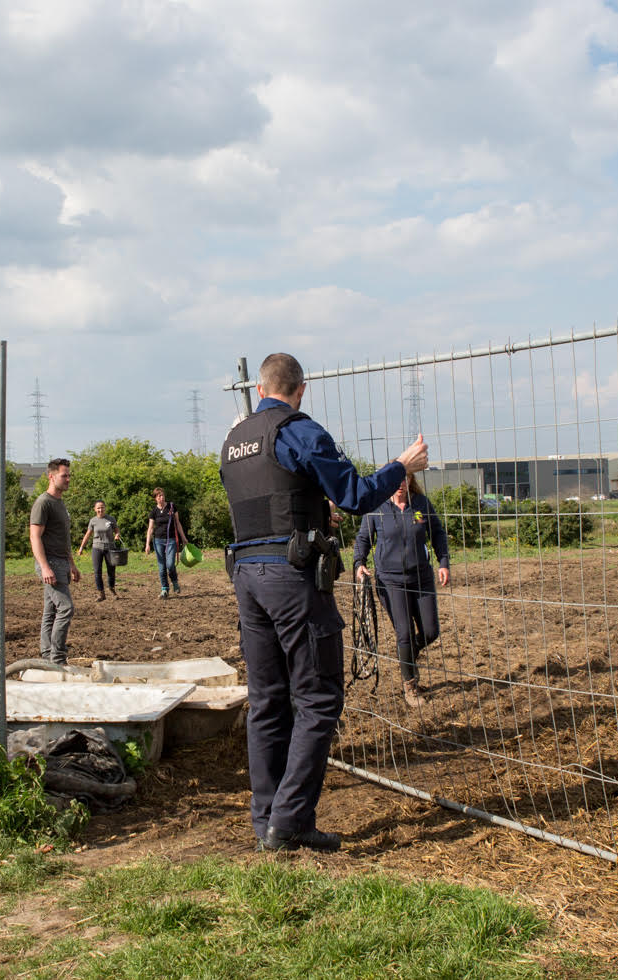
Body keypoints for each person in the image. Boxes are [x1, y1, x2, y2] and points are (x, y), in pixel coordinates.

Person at [222, 352, 428, 853]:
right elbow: (356, 494)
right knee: (318, 698)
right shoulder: (297, 430)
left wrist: (315, 518)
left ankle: (265, 817)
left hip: (246, 576)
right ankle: (289, 822)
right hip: (290, 580)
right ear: (301, 389)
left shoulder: (235, 441)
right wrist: (401, 466)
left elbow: (270, 503)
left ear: (262, 386)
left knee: (267, 700)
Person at [352, 474, 450, 708]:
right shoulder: (376, 507)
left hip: (421, 578)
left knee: (430, 631)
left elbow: (437, 533)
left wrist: (443, 562)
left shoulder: (421, 504)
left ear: (409, 481)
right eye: (396, 479)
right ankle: (410, 685)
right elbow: (363, 537)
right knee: (404, 633)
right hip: (390, 580)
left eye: (404, 479)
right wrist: (359, 562)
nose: (400, 484)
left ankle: (407, 659)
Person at [29, 458, 78, 665]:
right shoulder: (43, 503)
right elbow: (35, 537)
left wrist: (72, 564)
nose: (68, 479)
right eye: (64, 475)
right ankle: (57, 658)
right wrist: (45, 566)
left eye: (68, 475)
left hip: (61, 562)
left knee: (51, 611)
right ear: (51, 476)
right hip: (49, 563)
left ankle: (47, 655)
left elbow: (62, 537)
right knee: (66, 608)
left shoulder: (59, 503)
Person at [144, 487, 190, 598]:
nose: (162, 497)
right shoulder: (153, 511)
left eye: (163, 495)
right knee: (161, 567)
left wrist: (183, 538)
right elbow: (150, 528)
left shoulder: (172, 507)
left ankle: (174, 581)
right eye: (159, 496)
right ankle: (164, 589)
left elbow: (178, 523)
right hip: (158, 541)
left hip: (172, 540)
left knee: (170, 564)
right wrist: (147, 544)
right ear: (155, 498)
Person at [77, 499, 122, 600]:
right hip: (97, 548)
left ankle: (112, 589)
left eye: (102, 507)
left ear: (105, 508)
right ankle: (101, 593)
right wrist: (81, 547)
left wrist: (117, 535)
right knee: (97, 571)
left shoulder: (111, 519)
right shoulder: (93, 521)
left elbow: (117, 530)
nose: (100, 509)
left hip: (110, 548)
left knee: (111, 571)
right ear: (95, 509)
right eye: (98, 508)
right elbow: (88, 534)